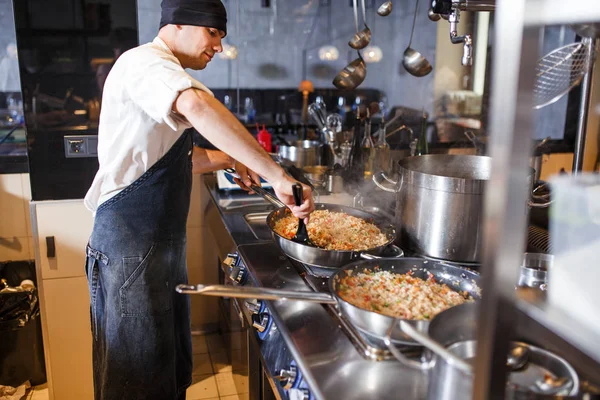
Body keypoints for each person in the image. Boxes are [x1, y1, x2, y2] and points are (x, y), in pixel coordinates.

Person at [82, 0, 315, 399]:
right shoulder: (146, 63)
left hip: (152, 250)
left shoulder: (160, 73)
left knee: (164, 375)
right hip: (130, 247)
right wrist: (278, 175)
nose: (218, 47)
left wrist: (228, 158)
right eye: (213, 33)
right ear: (177, 25)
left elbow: (160, 158)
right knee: (137, 380)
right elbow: (196, 105)